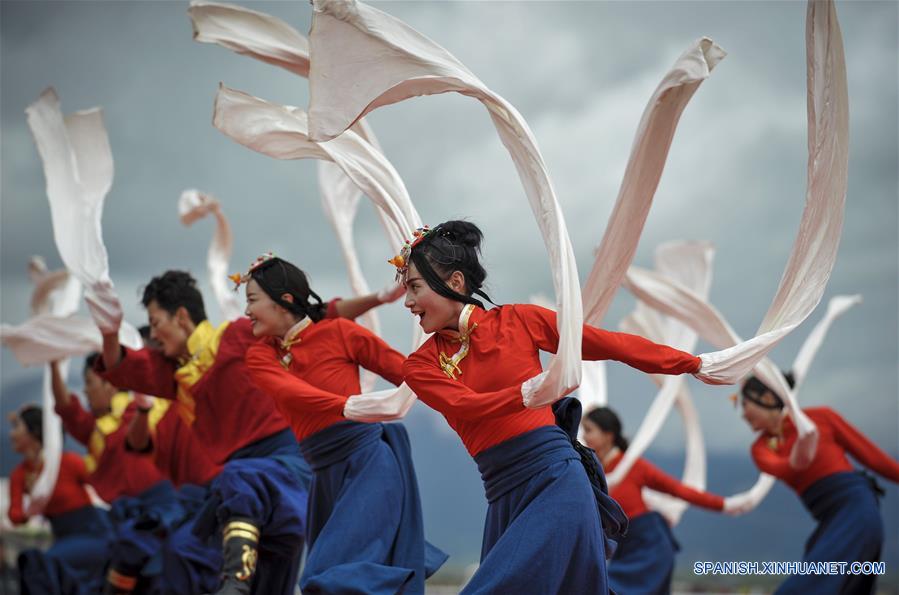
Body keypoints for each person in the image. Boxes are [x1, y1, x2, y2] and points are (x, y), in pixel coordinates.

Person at [398, 220, 713, 593]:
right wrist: (526, 393)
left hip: (555, 478)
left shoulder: (519, 321)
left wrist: (694, 363)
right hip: (502, 495)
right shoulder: (420, 365)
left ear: (454, 282)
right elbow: (465, 405)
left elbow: (611, 344)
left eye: (415, 287)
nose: (408, 302)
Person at [96, 269, 399, 594]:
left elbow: (314, 315)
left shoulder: (238, 335)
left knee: (241, 485)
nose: (154, 334)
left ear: (181, 316)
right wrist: (109, 330)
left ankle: (235, 585)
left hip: (287, 465)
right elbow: (119, 367)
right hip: (238, 485)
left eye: (156, 323)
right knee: (186, 551)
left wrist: (379, 298)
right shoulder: (173, 373)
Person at [240, 253, 446, 594]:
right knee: (332, 576)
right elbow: (291, 392)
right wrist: (350, 405)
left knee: (329, 577)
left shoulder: (339, 332)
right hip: (323, 477)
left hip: (368, 465)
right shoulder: (260, 355)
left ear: (283, 300)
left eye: (252, 300)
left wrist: (477, 385)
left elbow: (411, 375)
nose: (246, 311)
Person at [739, 372, 899, 594]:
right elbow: (783, 467)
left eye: (744, 404)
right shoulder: (760, 448)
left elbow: (874, 458)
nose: (743, 415)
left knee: (809, 584)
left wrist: (803, 448)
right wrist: (800, 454)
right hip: (830, 519)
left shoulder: (821, 418)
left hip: (857, 510)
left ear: (766, 398)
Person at [50, 357, 183, 595]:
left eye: (89, 382)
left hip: (161, 511)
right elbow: (66, 408)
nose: (85, 391)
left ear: (110, 385)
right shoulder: (95, 429)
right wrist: (53, 363)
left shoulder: (138, 409)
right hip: (121, 520)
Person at [582, 406, 726, 594]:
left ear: (608, 435)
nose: (584, 436)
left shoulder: (632, 466)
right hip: (623, 550)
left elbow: (678, 490)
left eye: (589, 430)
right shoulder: (590, 472)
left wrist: (725, 505)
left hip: (650, 547)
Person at [8, 404, 113, 594]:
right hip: (63, 537)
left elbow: (103, 484)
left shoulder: (67, 462)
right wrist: (32, 508)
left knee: (44, 565)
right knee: (31, 562)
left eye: (17, 427)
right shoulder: (20, 475)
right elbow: (14, 516)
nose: (11, 434)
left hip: (92, 532)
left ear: (34, 432)